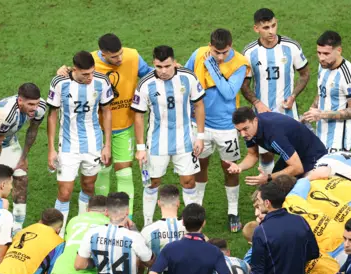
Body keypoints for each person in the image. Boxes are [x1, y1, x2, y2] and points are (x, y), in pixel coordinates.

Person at [58, 34, 154, 214]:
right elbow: (74, 75)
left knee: (124, 173)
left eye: (120, 54)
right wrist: (62, 71)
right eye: (114, 57)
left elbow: (150, 74)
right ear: (103, 53)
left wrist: (173, 69)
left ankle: (127, 218)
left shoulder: (133, 56)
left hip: (124, 125)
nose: (119, 59)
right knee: (102, 172)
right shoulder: (91, 62)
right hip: (96, 130)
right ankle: (101, 216)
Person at [185, 29, 250, 232]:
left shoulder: (240, 63)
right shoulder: (198, 54)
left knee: (229, 168)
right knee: (200, 166)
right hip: (200, 124)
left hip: (227, 127)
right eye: (216, 52)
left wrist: (212, 66)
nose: (220, 56)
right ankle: (197, 209)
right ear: (209, 45)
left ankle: (233, 211)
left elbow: (229, 92)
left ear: (231, 46)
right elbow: (186, 78)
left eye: (224, 52)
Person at [132, 45, 205, 225]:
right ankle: (148, 225)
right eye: (159, 67)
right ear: (153, 64)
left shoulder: (188, 77)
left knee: (188, 182)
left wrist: (200, 136)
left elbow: (199, 105)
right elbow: (138, 115)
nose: (163, 71)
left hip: (186, 140)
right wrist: (140, 148)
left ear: (174, 62)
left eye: (167, 66)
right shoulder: (145, 84)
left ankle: (191, 225)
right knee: (152, 182)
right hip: (156, 143)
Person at [47, 51, 114, 234]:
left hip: (93, 144)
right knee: (65, 192)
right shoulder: (60, 83)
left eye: (92, 72)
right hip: (68, 145)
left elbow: (107, 111)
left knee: (88, 186)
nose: (90, 77)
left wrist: (107, 144)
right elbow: (52, 115)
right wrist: (51, 149)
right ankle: (58, 236)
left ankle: (83, 230)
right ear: (74, 69)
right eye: (85, 74)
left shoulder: (101, 82)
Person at [241, 8, 310, 175]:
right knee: (265, 155)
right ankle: (268, 188)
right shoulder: (249, 52)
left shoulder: (291, 47)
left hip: (287, 113)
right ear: (256, 28)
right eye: (266, 28)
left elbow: (305, 74)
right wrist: (257, 103)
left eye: (273, 25)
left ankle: (290, 191)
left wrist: (293, 95)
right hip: (262, 115)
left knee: (293, 155)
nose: (271, 31)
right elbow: (244, 85)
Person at [0, 83, 47, 233]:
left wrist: (23, 158)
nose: (34, 108)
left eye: (36, 104)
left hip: (10, 140)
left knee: (21, 177)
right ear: (20, 101)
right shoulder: (6, 113)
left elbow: (33, 130)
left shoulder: (41, 106)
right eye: (30, 104)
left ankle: (17, 227)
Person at [229, 107, 327, 185]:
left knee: (294, 195)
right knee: (271, 189)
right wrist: (239, 167)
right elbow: (252, 155)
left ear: (255, 120)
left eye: (245, 129)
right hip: (294, 154)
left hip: (313, 156)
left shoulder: (273, 134)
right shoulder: (250, 131)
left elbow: (297, 168)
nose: (242, 134)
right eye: (239, 130)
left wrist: (268, 177)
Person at [301, 31, 351, 152]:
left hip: (337, 141)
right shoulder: (324, 65)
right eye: (319, 53)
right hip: (321, 133)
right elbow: (322, 91)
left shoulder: (348, 76)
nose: (321, 58)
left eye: (326, 53)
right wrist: (309, 112)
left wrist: (321, 114)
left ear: (339, 50)